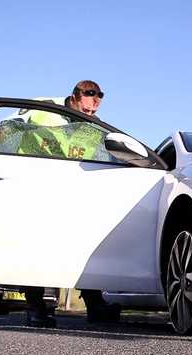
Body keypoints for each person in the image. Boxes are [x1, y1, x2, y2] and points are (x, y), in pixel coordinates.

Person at [23, 80, 119, 327]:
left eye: (94, 112)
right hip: (35, 186)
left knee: (86, 244)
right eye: (87, 109)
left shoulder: (91, 127)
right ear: (75, 96)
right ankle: (35, 307)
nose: (90, 114)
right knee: (38, 246)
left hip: (72, 191)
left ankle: (94, 304)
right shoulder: (46, 111)